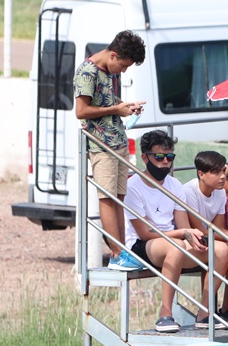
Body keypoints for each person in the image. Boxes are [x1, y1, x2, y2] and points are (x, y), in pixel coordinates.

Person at [125, 130, 228, 333]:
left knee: (221, 250)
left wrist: (191, 235)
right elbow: (145, 233)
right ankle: (165, 314)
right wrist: (183, 234)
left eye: (170, 157)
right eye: (159, 157)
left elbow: (182, 226)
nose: (166, 162)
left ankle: (205, 312)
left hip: (173, 241)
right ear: (145, 157)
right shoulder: (133, 186)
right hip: (142, 244)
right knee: (176, 247)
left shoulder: (174, 184)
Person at [73, 30, 147, 271]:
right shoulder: (87, 71)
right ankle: (117, 253)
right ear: (113, 55)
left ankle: (124, 251)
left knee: (119, 198)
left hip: (118, 142)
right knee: (107, 198)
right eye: (123, 65)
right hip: (101, 145)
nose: (123, 71)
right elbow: (81, 112)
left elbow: (108, 102)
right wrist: (116, 109)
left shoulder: (109, 71)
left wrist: (126, 107)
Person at [183, 150, 228, 323]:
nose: (222, 177)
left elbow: (218, 229)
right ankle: (205, 311)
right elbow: (199, 230)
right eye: (216, 172)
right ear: (201, 174)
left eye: (223, 171)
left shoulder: (219, 192)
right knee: (225, 249)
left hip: (207, 237)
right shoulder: (189, 191)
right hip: (189, 239)